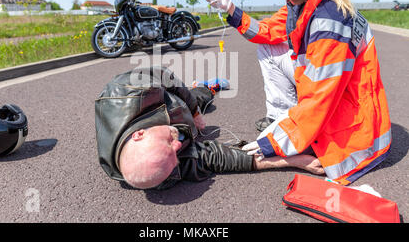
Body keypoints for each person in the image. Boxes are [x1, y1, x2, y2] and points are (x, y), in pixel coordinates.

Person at [202, 0, 391, 185]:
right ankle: (283, 119)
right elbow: (266, 31)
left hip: (352, 120)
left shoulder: (329, 21)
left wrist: (272, 145)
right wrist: (229, 8)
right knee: (269, 47)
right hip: (328, 90)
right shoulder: (302, 3)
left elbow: (319, 100)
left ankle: (297, 135)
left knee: (275, 143)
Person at [95, 66, 323, 190]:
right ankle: (204, 91)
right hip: (178, 117)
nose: (179, 144)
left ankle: (204, 89)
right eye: (175, 153)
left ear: (138, 134)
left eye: (168, 142)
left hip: (174, 100)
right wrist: (292, 161)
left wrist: (193, 112)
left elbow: (165, 76)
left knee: (200, 99)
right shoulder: (160, 170)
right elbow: (217, 159)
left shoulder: (126, 92)